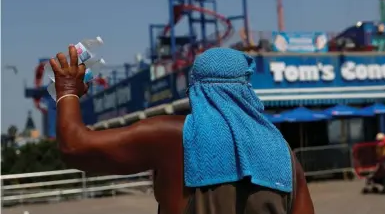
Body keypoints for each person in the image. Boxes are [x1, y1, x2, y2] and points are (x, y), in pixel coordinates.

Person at [50, 46, 315, 214]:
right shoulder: (284, 154)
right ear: (247, 89)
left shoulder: (175, 137)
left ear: (196, 91)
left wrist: (68, 91)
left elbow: (74, 147)